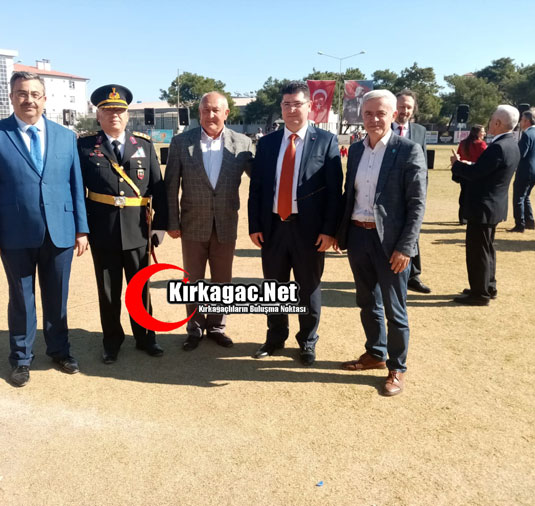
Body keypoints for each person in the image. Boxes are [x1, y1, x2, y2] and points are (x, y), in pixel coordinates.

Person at [0, 71, 89, 387]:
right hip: (15, 234)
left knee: (57, 297)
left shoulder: (65, 136)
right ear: (11, 97)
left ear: (45, 99)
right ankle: (21, 359)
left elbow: (75, 185)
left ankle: (60, 350)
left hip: (60, 231)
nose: (29, 100)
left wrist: (81, 229)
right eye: (22, 93)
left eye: (35, 94)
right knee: (22, 299)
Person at [337, 90, 427, 396]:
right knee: (367, 301)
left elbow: (417, 204)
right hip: (358, 236)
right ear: (361, 116)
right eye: (368, 113)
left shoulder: (408, 150)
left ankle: (397, 367)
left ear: (394, 115)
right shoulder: (357, 150)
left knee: (395, 308)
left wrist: (406, 247)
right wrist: (341, 232)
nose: (374, 119)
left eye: (381, 113)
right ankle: (375, 353)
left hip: (391, 243)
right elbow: (349, 193)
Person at [248, 81, 342, 366]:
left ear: (309, 106)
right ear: (281, 108)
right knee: (274, 287)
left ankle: (307, 341)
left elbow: (334, 191)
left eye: (297, 104)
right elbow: (257, 188)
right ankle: (275, 337)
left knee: (308, 289)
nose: (291, 110)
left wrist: (329, 230)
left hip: (309, 230)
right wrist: (255, 225)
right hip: (273, 227)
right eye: (286, 104)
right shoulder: (267, 143)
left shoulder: (326, 141)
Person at [78, 85, 168, 364]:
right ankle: (111, 341)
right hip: (102, 229)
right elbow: (76, 191)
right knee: (108, 291)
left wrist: (160, 225)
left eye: (119, 110)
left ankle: (146, 337)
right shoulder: (85, 147)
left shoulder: (144, 145)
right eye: (108, 111)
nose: (114, 115)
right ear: (98, 115)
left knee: (140, 288)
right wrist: (81, 228)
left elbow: (158, 187)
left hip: (138, 230)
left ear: (128, 115)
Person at [165, 92, 253, 351]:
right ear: (199, 113)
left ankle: (216, 326)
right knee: (193, 280)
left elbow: (261, 181)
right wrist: (172, 221)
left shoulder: (243, 143)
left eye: (216, 110)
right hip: (192, 225)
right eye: (205, 110)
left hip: (226, 224)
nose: (210, 115)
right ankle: (194, 328)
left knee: (222, 280)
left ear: (226, 113)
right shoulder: (181, 142)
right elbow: (171, 185)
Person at [450, 105, 520, 306]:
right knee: (487, 248)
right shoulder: (512, 144)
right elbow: (486, 171)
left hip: (483, 206)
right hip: (493, 204)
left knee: (477, 251)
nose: (489, 123)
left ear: (497, 123)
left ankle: (479, 293)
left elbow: (476, 174)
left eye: (491, 120)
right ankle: (487, 285)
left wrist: (457, 164)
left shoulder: (498, 147)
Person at [393, 89, 430, 295]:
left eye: (408, 107)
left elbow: (423, 165)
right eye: (401, 106)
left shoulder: (420, 131)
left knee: (412, 232)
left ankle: (413, 275)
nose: (404, 111)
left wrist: (422, 192)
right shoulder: (384, 127)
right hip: (388, 193)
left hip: (411, 192)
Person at [508, 110, 535, 233]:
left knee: (518, 197)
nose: (520, 122)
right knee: (526, 196)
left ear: (527, 121)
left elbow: (520, 154)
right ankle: (530, 221)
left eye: (522, 120)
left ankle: (520, 225)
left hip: (525, 170)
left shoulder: (526, 135)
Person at [456, 125, 487, 224]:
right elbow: (486, 159)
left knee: (464, 194)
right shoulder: (481, 144)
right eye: (482, 131)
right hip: (475, 173)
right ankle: (471, 216)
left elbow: (458, 156)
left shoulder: (463, 143)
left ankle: (462, 217)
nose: (484, 133)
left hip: (463, 172)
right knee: (474, 196)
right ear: (477, 133)